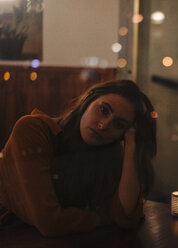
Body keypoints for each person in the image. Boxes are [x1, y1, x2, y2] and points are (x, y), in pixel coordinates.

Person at [0, 79, 156, 237]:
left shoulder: (107, 154)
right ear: (89, 100)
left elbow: (125, 218)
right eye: (103, 110)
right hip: (10, 235)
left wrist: (131, 145)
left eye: (119, 124)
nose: (103, 125)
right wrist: (101, 218)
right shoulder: (33, 130)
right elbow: (50, 222)